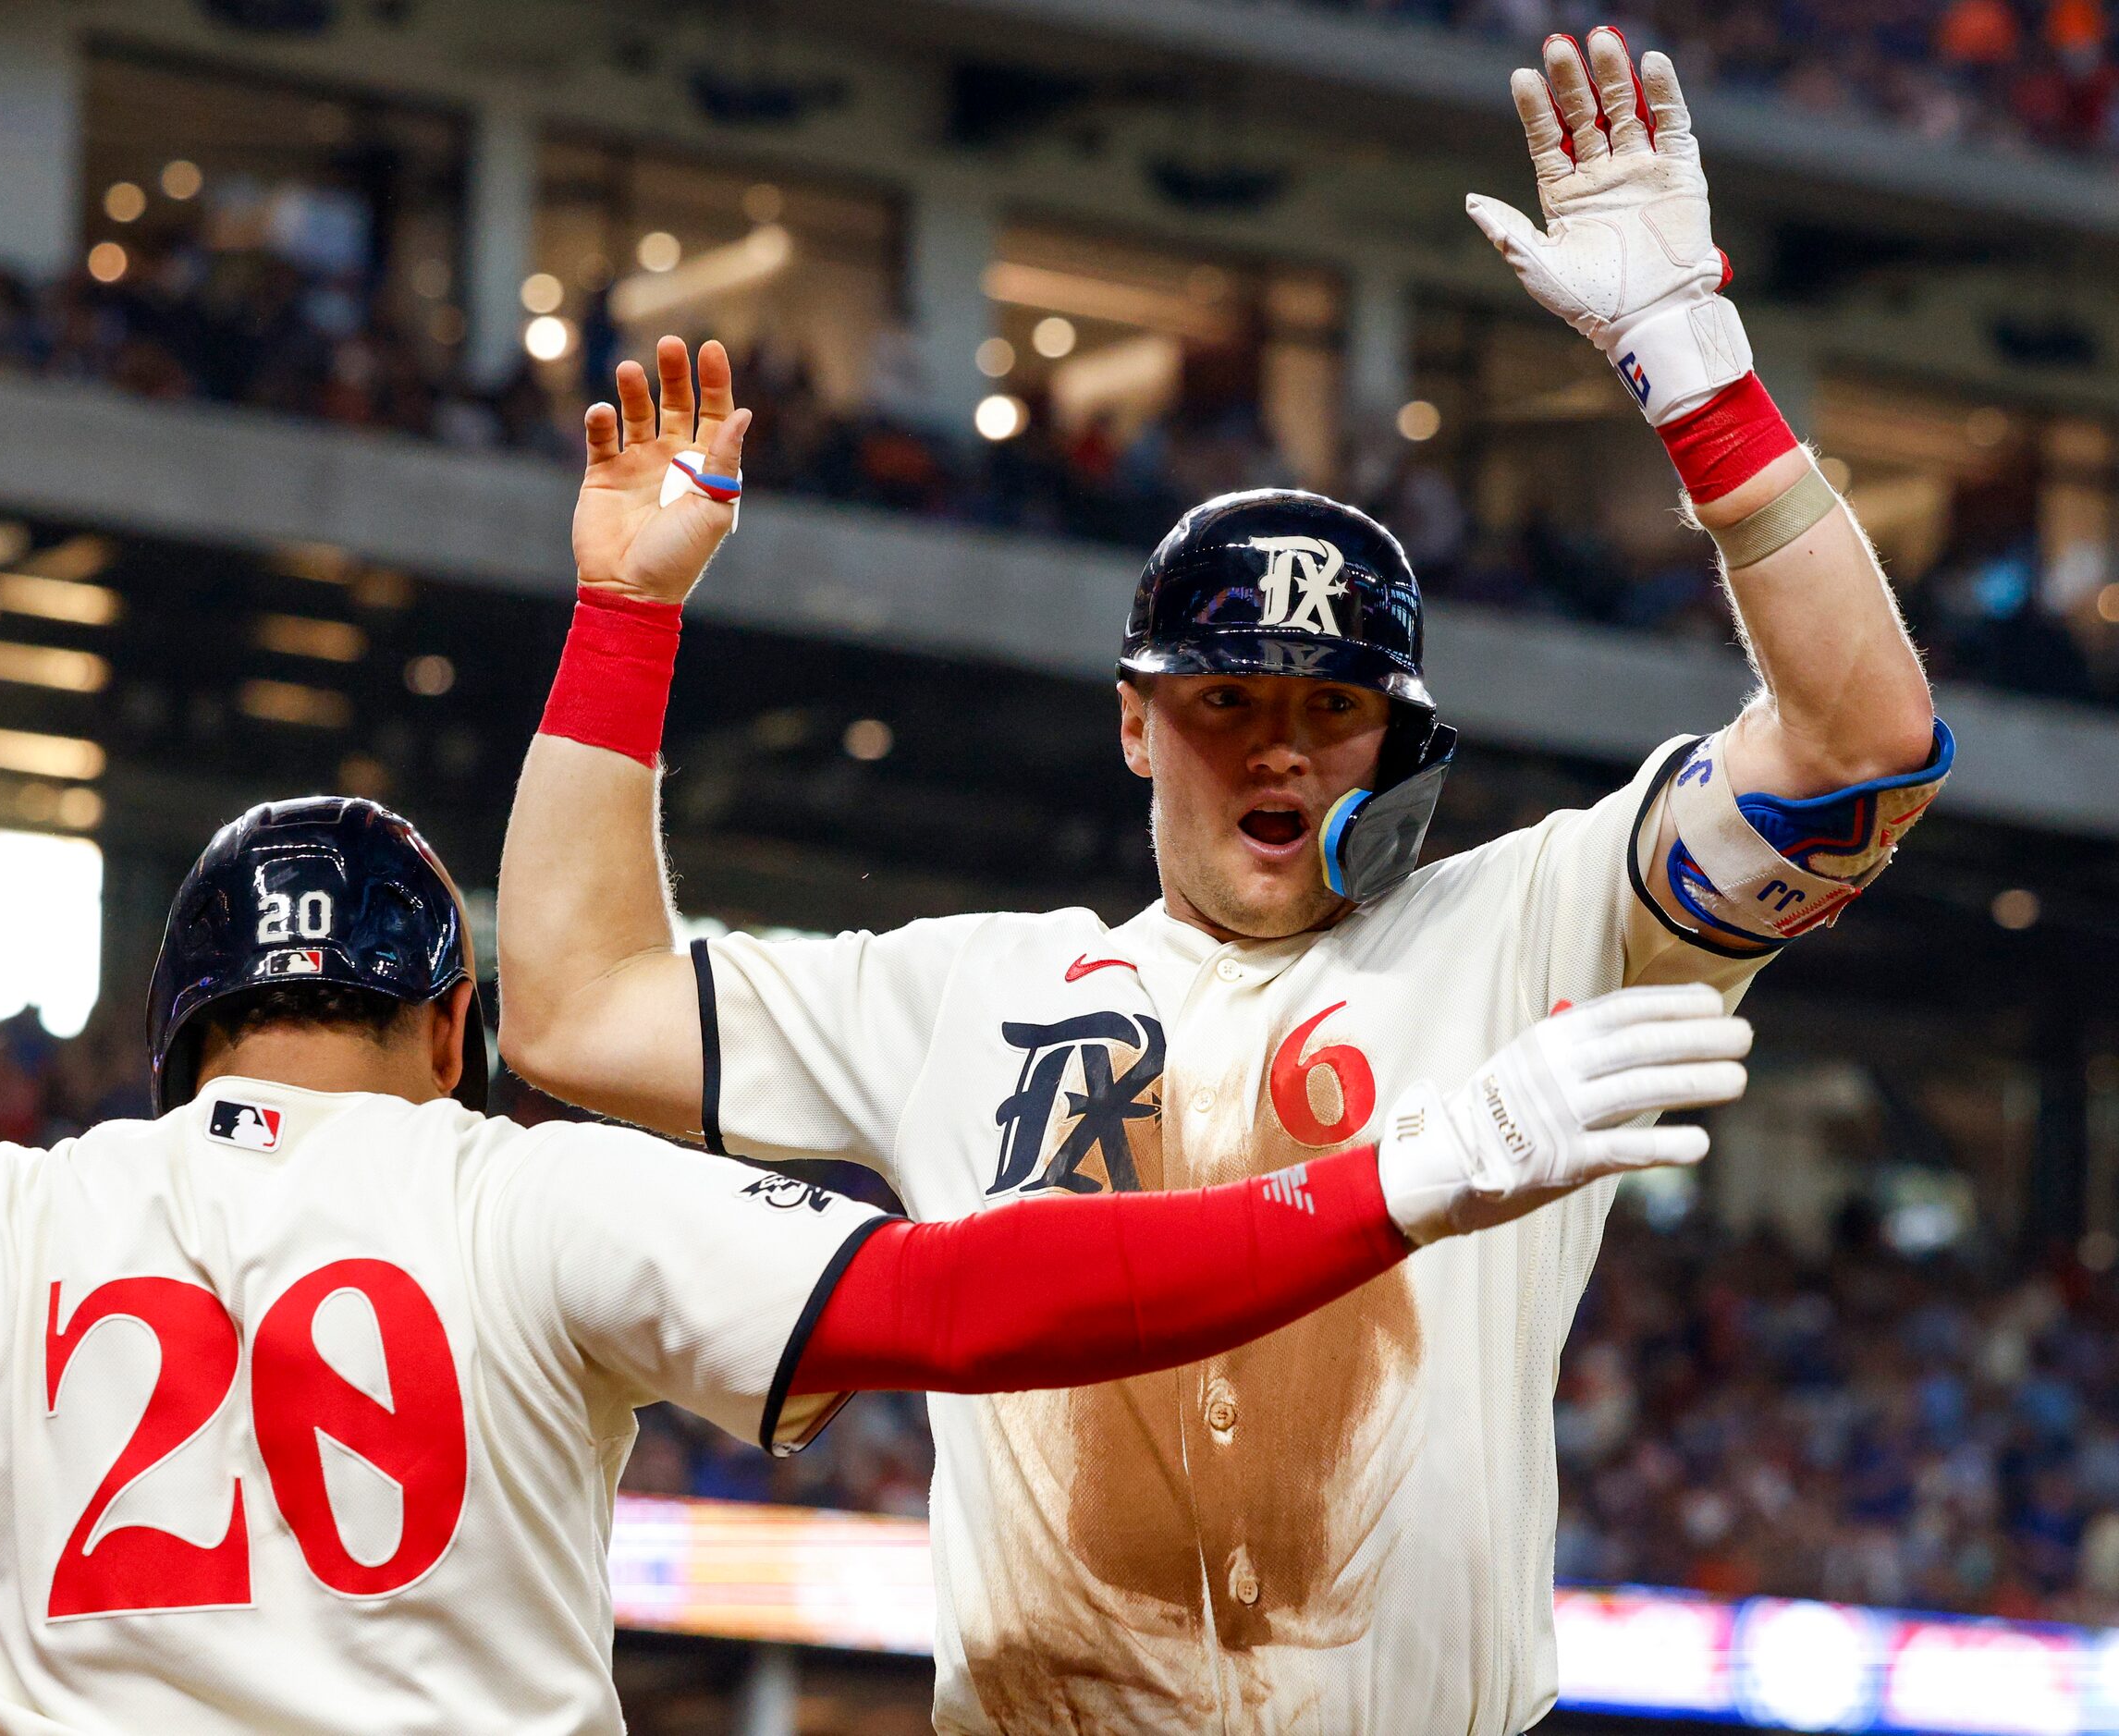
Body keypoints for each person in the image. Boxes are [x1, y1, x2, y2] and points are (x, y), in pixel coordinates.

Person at [494, 31, 1949, 1735]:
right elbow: (575, 1007)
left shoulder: (1534, 919)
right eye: (1224, 702)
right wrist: (623, 620)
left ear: (1399, 744)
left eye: (1332, 708)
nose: (1277, 749)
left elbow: (1862, 748)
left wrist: (1695, 368)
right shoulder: (968, 990)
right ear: (1135, 725)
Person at [0, 796, 1745, 1734]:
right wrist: (1398, 1184)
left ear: (175, 1029)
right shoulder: (527, 1186)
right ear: (454, 1026)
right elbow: (965, 1305)